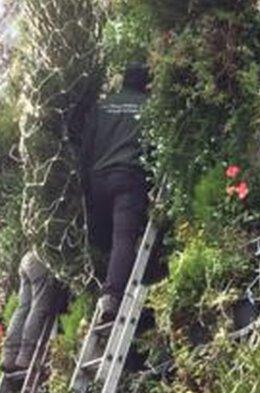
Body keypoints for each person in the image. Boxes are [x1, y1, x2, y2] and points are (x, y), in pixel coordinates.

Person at [82, 63, 151, 320]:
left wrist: (86, 182)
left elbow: (87, 147)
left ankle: (98, 293)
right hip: (128, 176)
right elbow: (153, 145)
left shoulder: (102, 107)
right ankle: (111, 296)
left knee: (102, 240)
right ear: (145, 84)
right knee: (123, 237)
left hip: (98, 179)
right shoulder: (148, 106)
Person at [1, 251, 62, 372]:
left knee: (24, 307)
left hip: (28, 259)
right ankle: (26, 355)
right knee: (39, 307)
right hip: (40, 261)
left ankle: (9, 356)